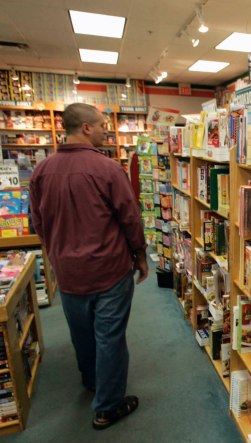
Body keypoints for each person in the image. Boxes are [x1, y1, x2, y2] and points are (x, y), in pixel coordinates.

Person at [29, 103, 147, 430]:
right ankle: (107, 406)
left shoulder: (41, 171)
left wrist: (55, 250)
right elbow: (130, 218)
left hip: (67, 272)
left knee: (81, 332)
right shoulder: (108, 169)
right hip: (109, 268)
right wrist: (139, 255)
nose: (105, 129)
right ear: (85, 128)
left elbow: (37, 221)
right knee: (109, 335)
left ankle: (92, 380)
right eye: (101, 124)